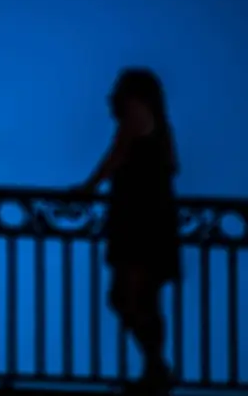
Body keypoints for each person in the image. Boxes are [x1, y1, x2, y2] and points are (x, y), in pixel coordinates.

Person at [75, 68, 180, 394]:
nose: (111, 97)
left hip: (140, 224)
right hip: (149, 221)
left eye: (118, 91)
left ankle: (156, 369)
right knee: (142, 299)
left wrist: (87, 188)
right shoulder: (157, 125)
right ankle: (155, 370)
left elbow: (117, 158)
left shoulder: (135, 118)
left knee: (129, 297)